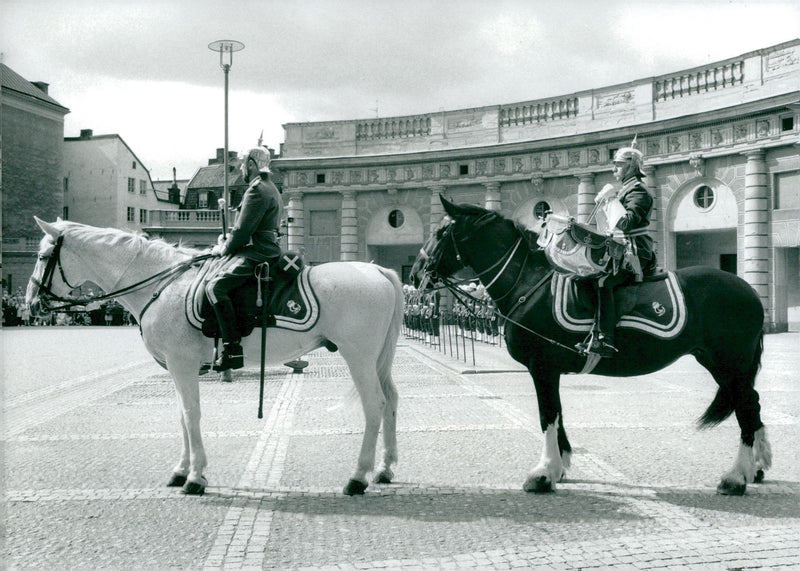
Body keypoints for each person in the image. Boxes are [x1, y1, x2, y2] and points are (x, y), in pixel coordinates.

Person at [576, 138, 656, 358]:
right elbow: (610, 227)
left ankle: (606, 340)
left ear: (631, 165)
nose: (614, 169)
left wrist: (611, 200)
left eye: (618, 164)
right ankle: (592, 332)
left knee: (604, 282)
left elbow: (626, 223)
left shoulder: (639, 191)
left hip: (637, 252)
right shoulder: (625, 191)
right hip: (621, 251)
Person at [206, 146, 283, 372]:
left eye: (242, 164)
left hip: (258, 251)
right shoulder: (271, 187)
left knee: (214, 288)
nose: (241, 168)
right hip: (264, 247)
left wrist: (224, 247)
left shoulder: (256, 189)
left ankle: (232, 348)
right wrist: (229, 239)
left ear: (251, 164)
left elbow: (242, 232)